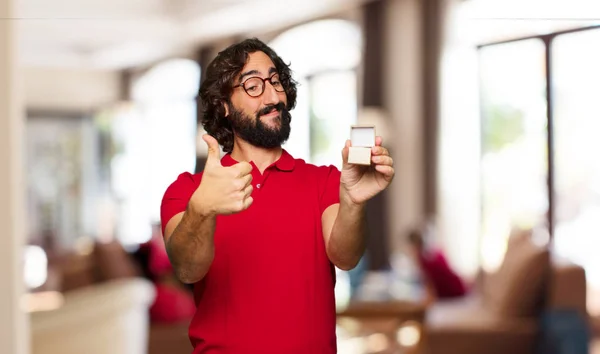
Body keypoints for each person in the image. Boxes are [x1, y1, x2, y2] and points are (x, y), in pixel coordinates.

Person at [160, 38, 395, 354]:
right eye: (254, 86)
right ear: (224, 106)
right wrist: (203, 208)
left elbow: (346, 257)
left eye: (276, 82)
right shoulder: (187, 190)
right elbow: (188, 269)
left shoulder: (323, 181)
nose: (273, 96)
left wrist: (352, 201)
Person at [407, 223, 467, 302]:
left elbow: (429, 283)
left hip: (453, 289)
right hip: (457, 286)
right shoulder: (428, 254)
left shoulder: (422, 258)